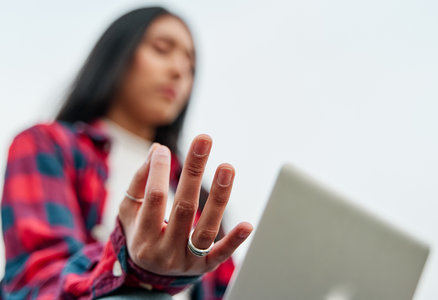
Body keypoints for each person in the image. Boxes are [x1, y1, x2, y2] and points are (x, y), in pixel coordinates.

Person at [0, 6, 253, 300]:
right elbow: (38, 277)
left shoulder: (197, 194)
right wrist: (131, 266)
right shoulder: (48, 144)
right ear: (116, 54)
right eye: (162, 49)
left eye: (191, 66)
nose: (179, 71)